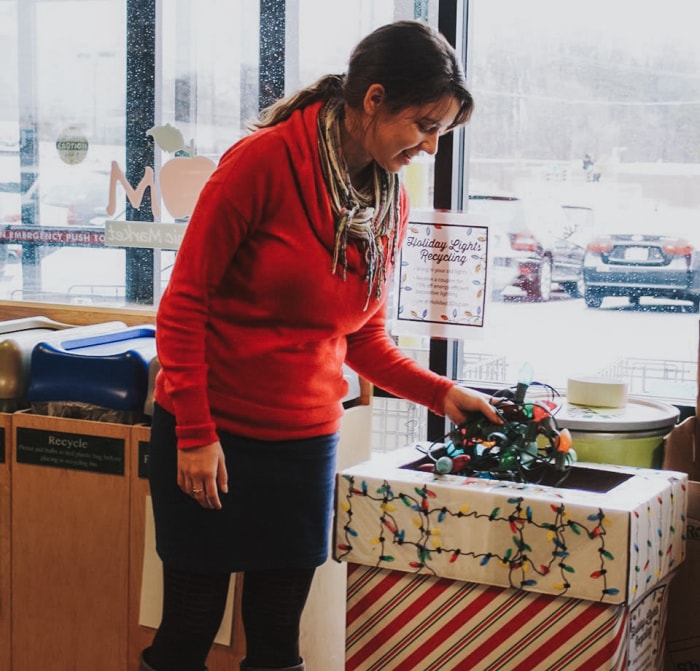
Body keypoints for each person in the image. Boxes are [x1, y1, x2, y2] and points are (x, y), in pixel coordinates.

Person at [143, 19, 502, 671]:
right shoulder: (263, 162)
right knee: (190, 627)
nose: (428, 147)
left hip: (303, 444)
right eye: (422, 126)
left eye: (439, 134)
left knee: (279, 634)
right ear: (373, 100)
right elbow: (184, 302)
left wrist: (444, 392)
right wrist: (194, 432)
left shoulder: (387, 200)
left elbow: (361, 336)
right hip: (211, 433)